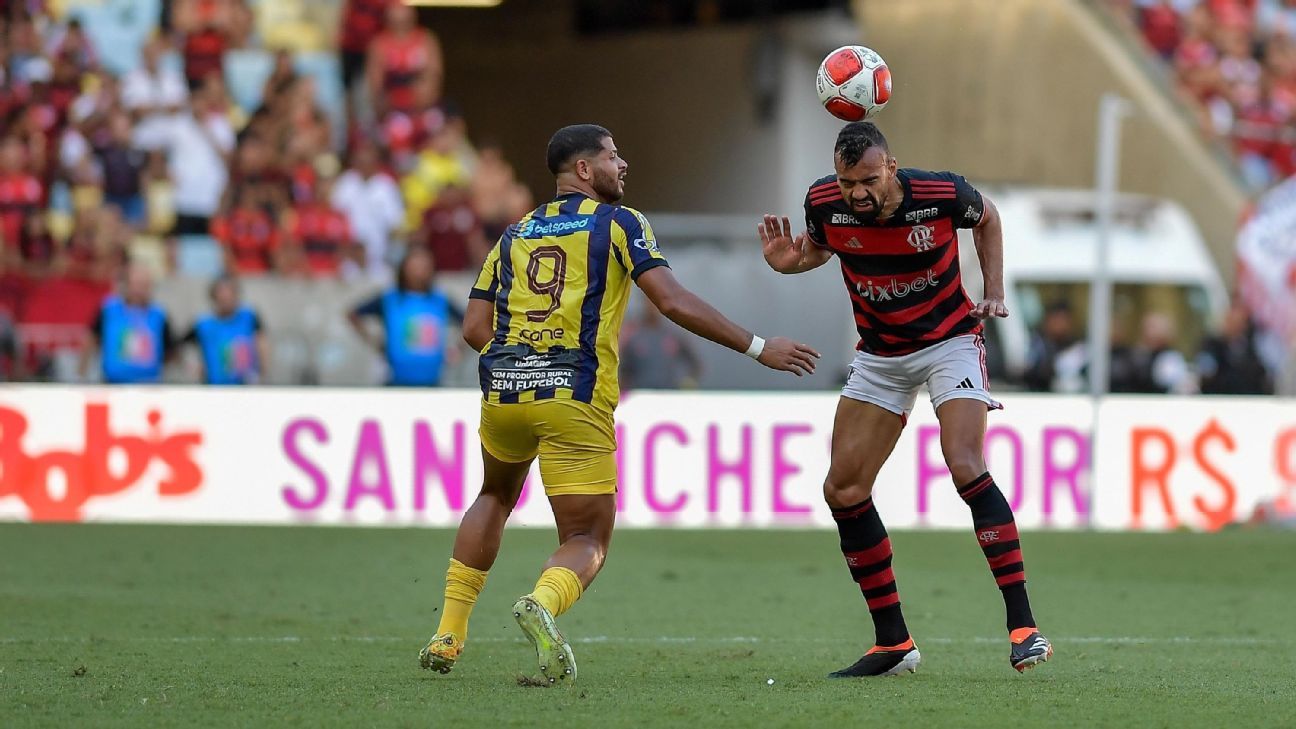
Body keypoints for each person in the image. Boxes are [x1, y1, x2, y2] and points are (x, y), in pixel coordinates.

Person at [418, 124, 818, 681]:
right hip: (573, 395)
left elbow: (473, 328)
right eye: (612, 156)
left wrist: (524, 354)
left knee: (493, 495)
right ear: (584, 170)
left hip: (505, 390)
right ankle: (543, 603)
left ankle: (448, 633)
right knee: (585, 537)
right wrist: (757, 346)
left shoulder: (514, 234)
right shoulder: (620, 224)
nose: (623, 164)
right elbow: (672, 302)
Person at [758, 121, 1051, 676]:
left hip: (949, 342)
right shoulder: (823, 202)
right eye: (848, 183)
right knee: (842, 489)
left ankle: (1024, 627)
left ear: (891, 167)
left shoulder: (940, 194)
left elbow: (987, 216)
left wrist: (994, 290)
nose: (858, 193)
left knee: (964, 463)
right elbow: (816, 251)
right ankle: (893, 643)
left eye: (868, 179)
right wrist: (787, 262)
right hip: (881, 355)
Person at [348, 247, 461, 387]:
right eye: (415, 266)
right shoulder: (389, 299)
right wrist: (376, 343)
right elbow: (353, 315)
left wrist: (456, 350)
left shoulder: (440, 300)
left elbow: (467, 323)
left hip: (433, 381)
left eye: (424, 267)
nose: (419, 272)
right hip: (396, 380)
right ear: (404, 269)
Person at [81, 263, 173, 384]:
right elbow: (91, 339)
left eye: (145, 285)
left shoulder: (159, 315)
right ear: (126, 285)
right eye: (136, 284)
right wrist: (82, 372)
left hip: (149, 385)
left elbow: (170, 351)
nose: (139, 291)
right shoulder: (109, 310)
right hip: (112, 384)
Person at [181, 275, 267, 385]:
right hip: (214, 386)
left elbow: (261, 341)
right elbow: (182, 347)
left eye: (230, 293)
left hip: (245, 385)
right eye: (221, 294)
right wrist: (193, 365)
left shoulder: (249, 316)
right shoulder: (203, 324)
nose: (226, 298)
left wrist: (262, 370)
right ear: (214, 297)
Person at [620, 298, 703, 390]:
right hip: (638, 396)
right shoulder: (630, 332)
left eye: (655, 302)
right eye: (649, 301)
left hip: (668, 396)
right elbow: (617, 361)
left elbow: (696, 363)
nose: (652, 306)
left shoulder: (674, 334)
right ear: (643, 302)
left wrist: (687, 383)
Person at [1197, 300, 1273, 395]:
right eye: (1233, 321)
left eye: (1240, 323)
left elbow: (1259, 372)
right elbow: (1207, 373)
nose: (1237, 326)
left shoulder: (1249, 347)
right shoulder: (1212, 346)